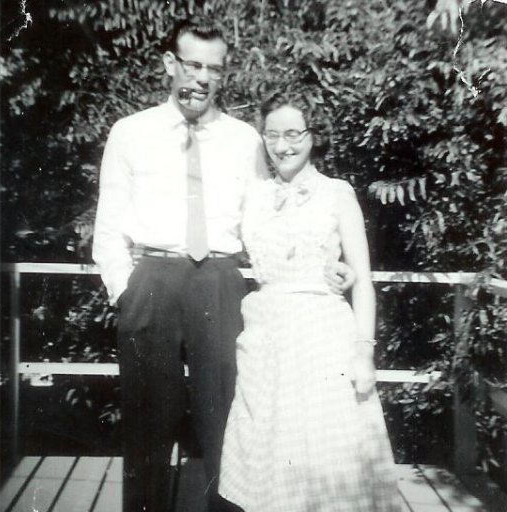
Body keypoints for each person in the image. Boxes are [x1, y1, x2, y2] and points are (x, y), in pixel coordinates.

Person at [93, 18, 353, 512]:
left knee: (227, 422)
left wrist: (326, 265)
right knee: (147, 426)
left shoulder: (245, 141)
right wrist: (124, 290)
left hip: (220, 280)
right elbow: (108, 226)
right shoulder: (130, 133)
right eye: (193, 64)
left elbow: (277, 215)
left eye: (215, 69)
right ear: (170, 64)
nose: (203, 78)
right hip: (151, 279)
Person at [218, 90, 402, 512]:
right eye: (272, 135)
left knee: (328, 457)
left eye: (294, 134)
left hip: (323, 337)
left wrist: (364, 353)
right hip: (266, 339)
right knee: (271, 460)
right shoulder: (252, 194)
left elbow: (363, 282)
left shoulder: (338, 193)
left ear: (314, 136)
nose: (282, 146)